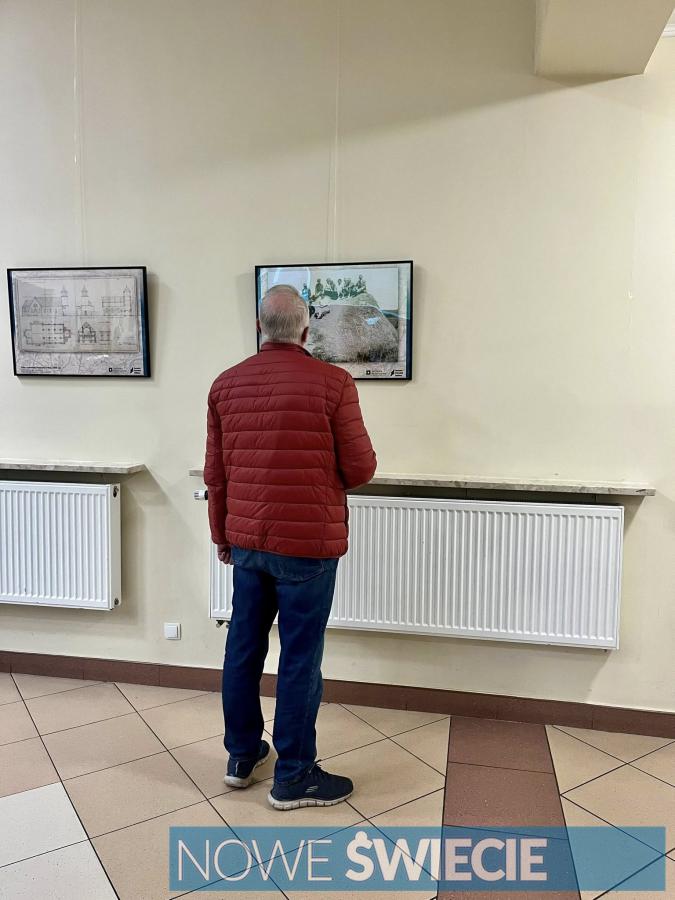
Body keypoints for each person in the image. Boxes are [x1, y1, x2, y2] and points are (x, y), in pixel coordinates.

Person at [203, 284, 376, 810]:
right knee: (300, 657)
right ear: (306, 328)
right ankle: (294, 776)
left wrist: (221, 536)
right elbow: (360, 469)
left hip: (248, 543)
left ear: (260, 327)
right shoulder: (333, 383)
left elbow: (216, 474)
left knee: (243, 648)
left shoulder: (225, 384)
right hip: (307, 546)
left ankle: (241, 756)